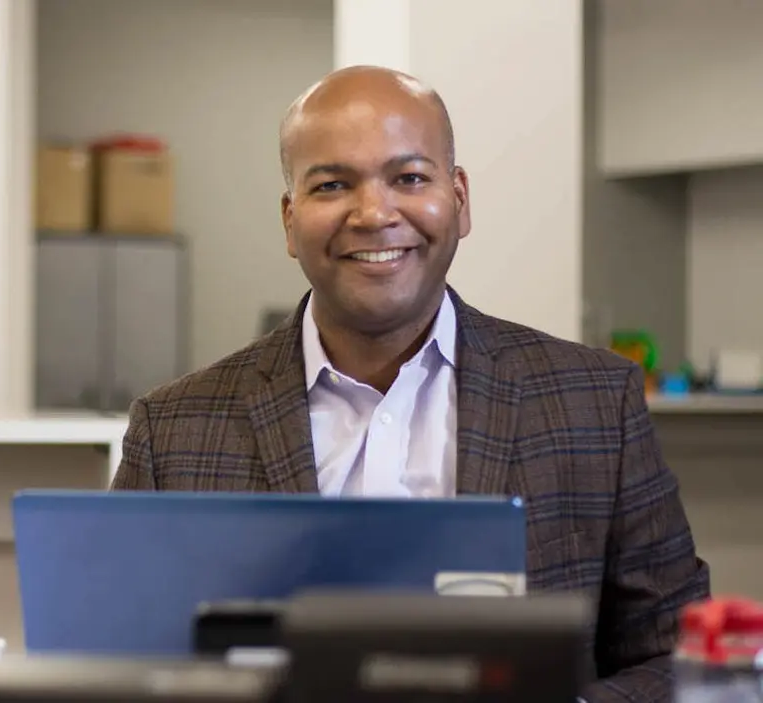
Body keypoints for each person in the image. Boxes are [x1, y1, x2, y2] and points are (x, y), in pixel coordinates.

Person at [112, 66, 709, 701]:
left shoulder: (595, 404)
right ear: (290, 221)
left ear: (460, 199)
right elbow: (112, 663)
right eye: (333, 184)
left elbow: (683, 657)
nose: (373, 213)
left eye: (410, 178)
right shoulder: (173, 431)